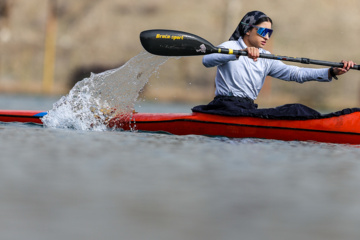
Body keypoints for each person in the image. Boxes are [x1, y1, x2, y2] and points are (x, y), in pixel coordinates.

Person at [192, 10, 356, 118]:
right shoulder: (230, 47)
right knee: (295, 111)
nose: (267, 37)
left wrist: (331, 72)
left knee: (297, 109)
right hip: (225, 107)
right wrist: (239, 55)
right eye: (263, 32)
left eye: (270, 33)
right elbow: (207, 60)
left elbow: (295, 74)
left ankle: (333, 119)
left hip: (247, 109)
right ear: (248, 30)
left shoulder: (266, 57)